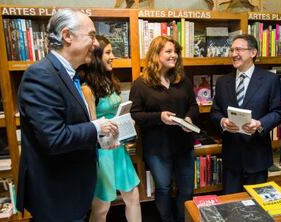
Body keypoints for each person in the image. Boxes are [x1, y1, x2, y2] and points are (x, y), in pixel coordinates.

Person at [16, 9, 118, 221]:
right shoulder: (41, 76)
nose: (96, 44)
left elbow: (71, 125)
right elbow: (53, 138)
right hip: (56, 196)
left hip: (73, 191)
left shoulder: (70, 75)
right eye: (91, 35)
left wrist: (100, 140)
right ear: (67, 36)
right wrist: (97, 128)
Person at [130, 36, 199, 222]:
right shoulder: (140, 84)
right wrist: (159, 117)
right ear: (156, 54)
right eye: (168, 51)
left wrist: (188, 118)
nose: (174, 55)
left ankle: (182, 219)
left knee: (187, 190)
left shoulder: (182, 80)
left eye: (175, 51)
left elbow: (194, 106)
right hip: (157, 148)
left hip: (184, 145)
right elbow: (135, 114)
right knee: (164, 188)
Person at [210, 34, 281, 194]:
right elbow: (215, 112)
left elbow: (277, 112)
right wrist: (222, 121)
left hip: (257, 156)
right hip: (231, 157)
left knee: (256, 206)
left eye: (239, 49)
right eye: (232, 50)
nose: (234, 54)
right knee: (231, 205)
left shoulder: (270, 80)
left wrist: (260, 124)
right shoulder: (222, 82)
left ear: (253, 52)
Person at [79, 36, 141, 222]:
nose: (113, 56)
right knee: (101, 207)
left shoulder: (111, 82)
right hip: (103, 152)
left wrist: (127, 121)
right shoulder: (87, 89)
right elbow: (91, 125)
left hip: (119, 148)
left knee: (133, 197)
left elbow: (118, 111)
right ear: (96, 56)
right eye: (108, 52)